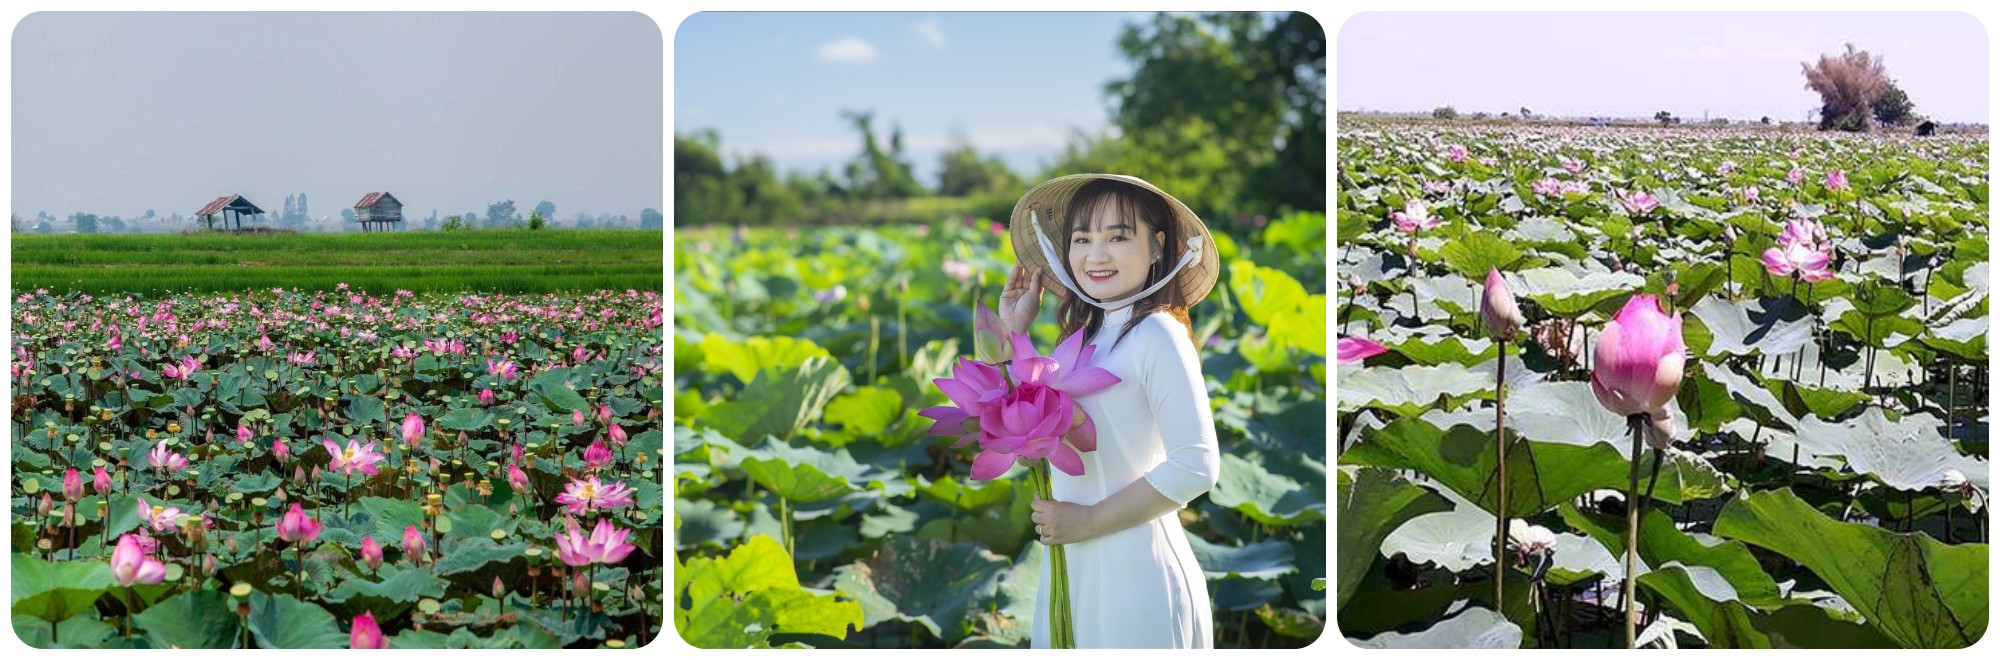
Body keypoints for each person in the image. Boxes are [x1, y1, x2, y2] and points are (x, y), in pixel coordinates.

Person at [998, 174, 1222, 649]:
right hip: (1074, 566)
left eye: (1117, 237)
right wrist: (1012, 336)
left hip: (1135, 572)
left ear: (1158, 247)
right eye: (1082, 239)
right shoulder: (1085, 340)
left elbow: (1198, 464)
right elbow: (1027, 450)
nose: (1095, 255)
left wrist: (1090, 520)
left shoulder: (1158, 333)